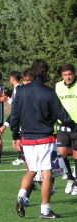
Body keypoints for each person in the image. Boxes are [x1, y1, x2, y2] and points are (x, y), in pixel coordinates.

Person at [11, 59, 77, 219]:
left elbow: (14, 116)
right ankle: (45, 211)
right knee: (46, 173)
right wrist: (74, 126)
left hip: (27, 138)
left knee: (32, 170)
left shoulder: (21, 91)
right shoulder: (48, 92)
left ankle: (21, 195)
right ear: (45, 73)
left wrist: (15, 135)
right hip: (45, 139)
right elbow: (62, 115)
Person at [55, 63, 77, 195]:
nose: (68, 77)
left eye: (70, 74)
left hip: (76, 125)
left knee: (76, 155)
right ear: (62, 76)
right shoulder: (57, 86)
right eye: (65, 75)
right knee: (61, 155)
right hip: (62, 125)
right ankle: (70, 177)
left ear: (74, 74)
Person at [0, 71, 25, 165]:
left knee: (20, 136)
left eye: (10, 78)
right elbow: (14, 104)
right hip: (17, 116)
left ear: (13, 78)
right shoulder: (16, 89)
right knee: (19, 136)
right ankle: (20, 157)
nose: (10, 80)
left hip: (20, 117)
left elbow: (17, 105)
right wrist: (7, 98)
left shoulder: (19, 89)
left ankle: (22, 158)